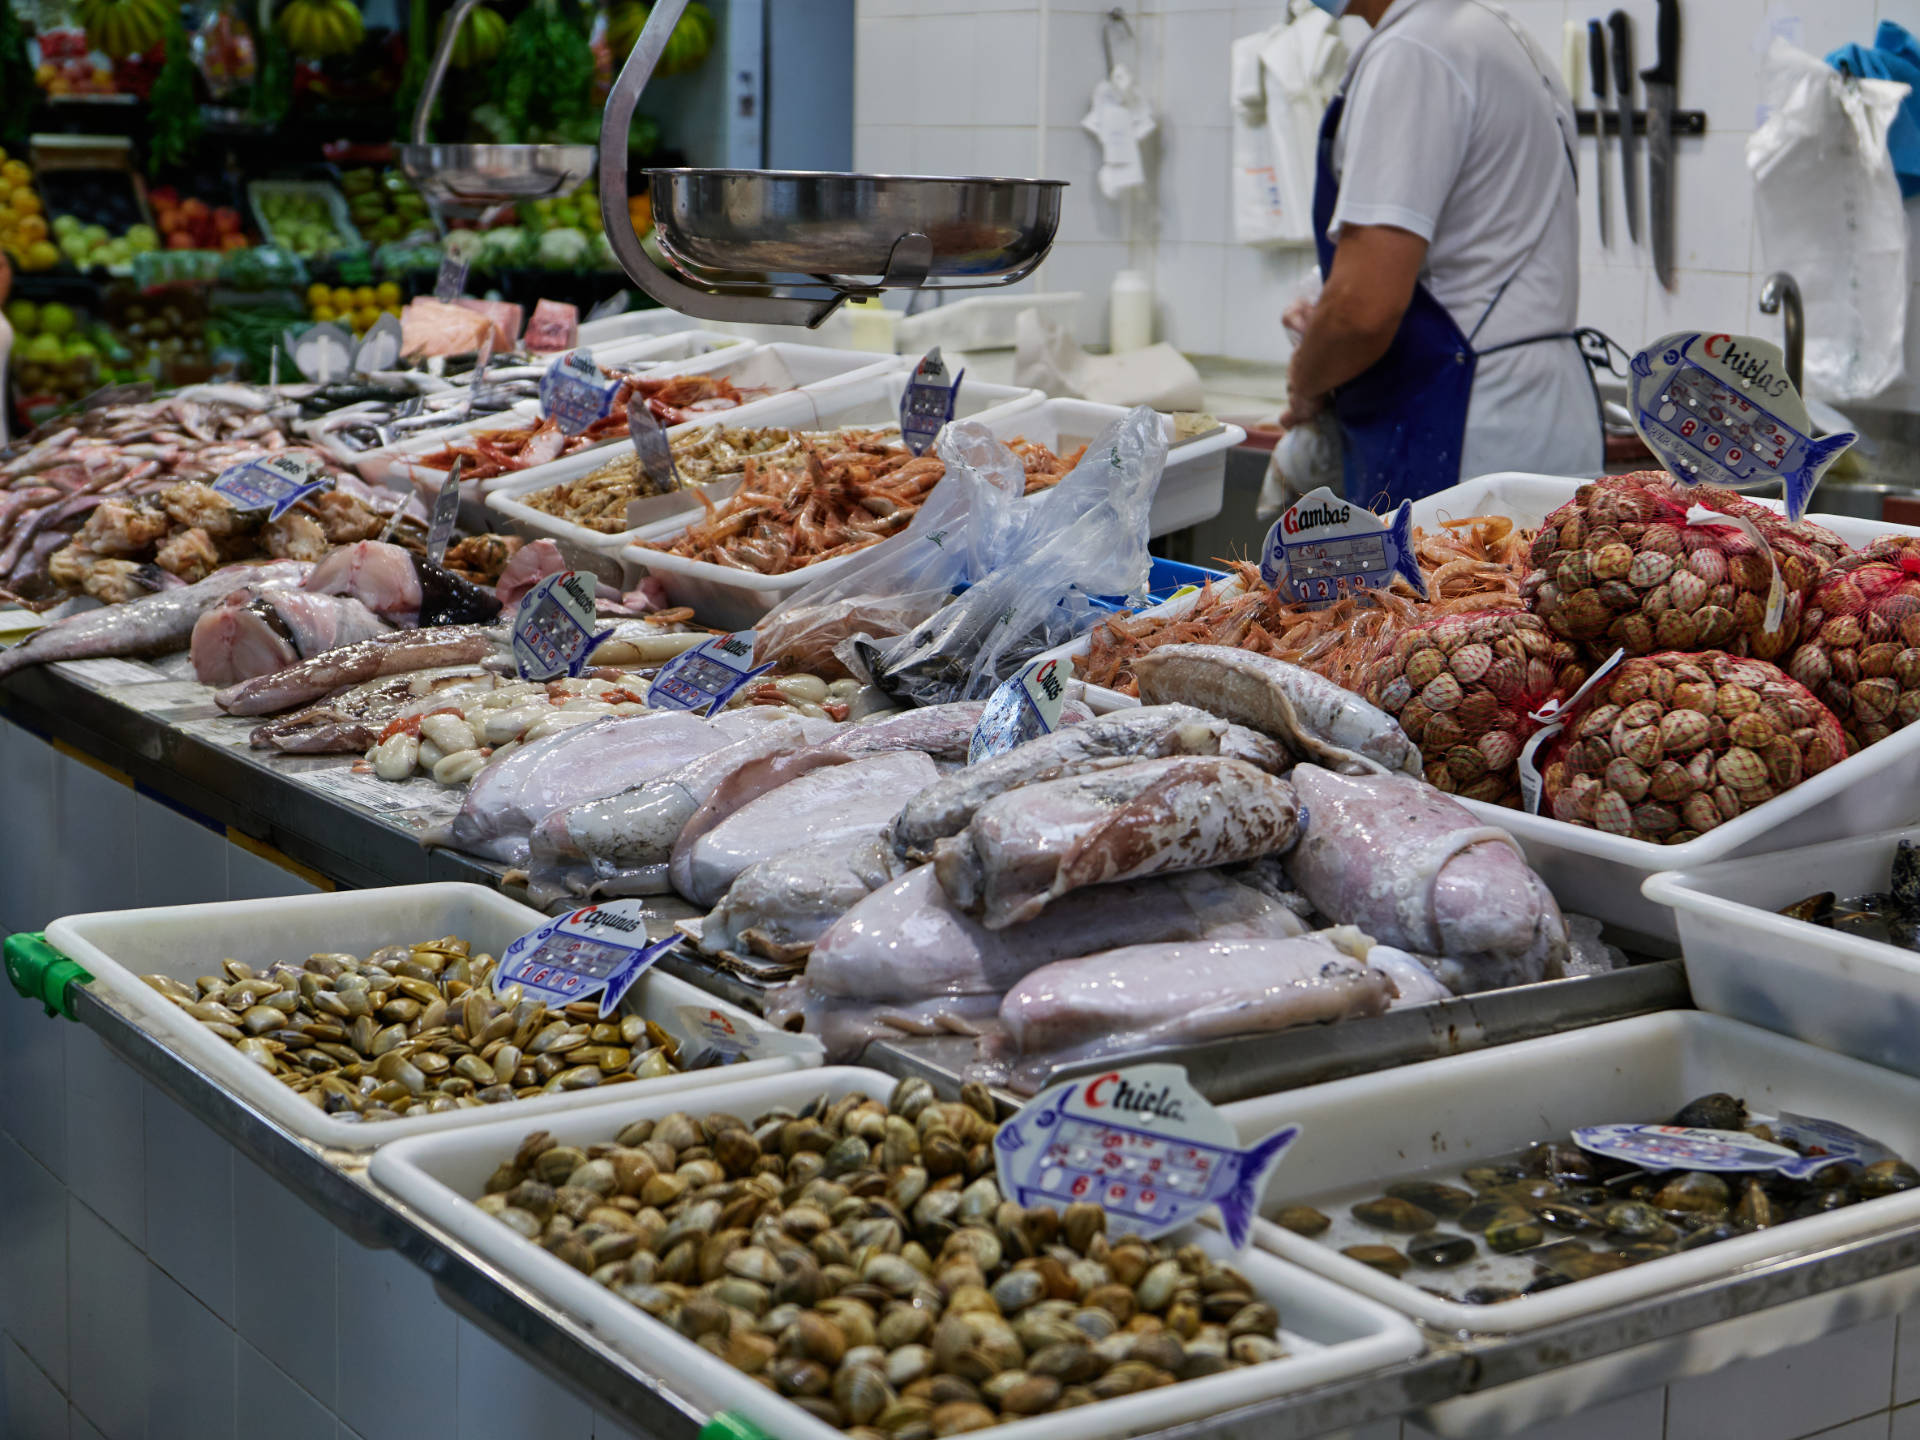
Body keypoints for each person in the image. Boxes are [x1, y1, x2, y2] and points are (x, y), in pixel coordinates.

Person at [1279, 0, 1605, 507]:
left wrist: (1306, 380)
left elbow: (1361, 312)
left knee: (1449, 587)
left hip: (1461, 424)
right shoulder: (1495, 34)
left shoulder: (1414, 49)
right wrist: (1329, 308)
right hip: (1541, 409)